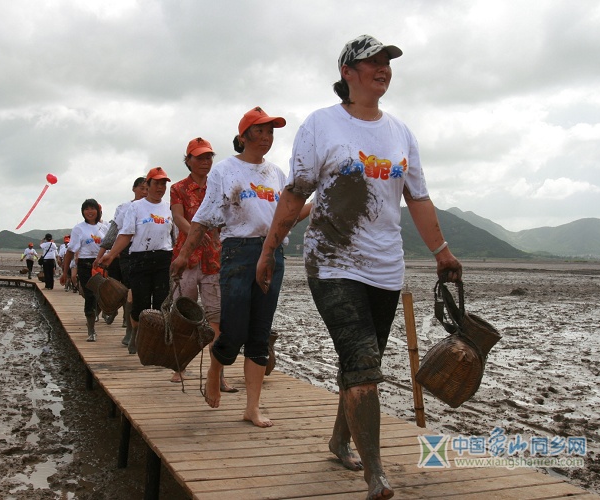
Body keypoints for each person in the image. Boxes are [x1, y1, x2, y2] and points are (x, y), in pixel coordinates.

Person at [256, 35, 463, 499]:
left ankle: (338, 439)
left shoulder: (401, 132)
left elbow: (419, 198)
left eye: (387, 62)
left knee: (360, 363)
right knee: (364, 362)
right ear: (347, 71)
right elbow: (295, 193)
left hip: (385, 266)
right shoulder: (321, 125)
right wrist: (270, 249)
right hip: (330, 261)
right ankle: (376, 474)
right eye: (372, 61)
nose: (382, 68)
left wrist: (442, 252)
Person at [171, 106, 308, 428]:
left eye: (270, 132)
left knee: (259, 333)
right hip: (237, 253)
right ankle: (216, 371)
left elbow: (286, 217)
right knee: (233, 331)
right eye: (259, 131)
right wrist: (182, 255)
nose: (266, 138)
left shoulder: (276, 174)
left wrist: (316, 203)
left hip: (273, 254)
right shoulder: (225, 170)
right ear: (243, 137)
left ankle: (252, 407)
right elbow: (204, 218)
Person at [168, 137, 237, 390]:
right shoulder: (177, 188)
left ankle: (217, 376)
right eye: (199, 157)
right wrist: (199, 235)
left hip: (214, 262)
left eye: (209, 156)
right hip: (186, 260)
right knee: (184, 316)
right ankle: (179, 367)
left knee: (217, 319)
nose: (205, 161)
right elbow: (178, 217)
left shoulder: (219, 186)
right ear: (188, 160)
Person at [99, 167, 174, 355]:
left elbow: (174, 236)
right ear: (147, 185)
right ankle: (136, 333)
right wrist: (112, 254)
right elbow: (126, 234)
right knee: (139, 303)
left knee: (160, 303)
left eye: (163, 184)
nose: (160, 187)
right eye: (156, 183)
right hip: (140, 259)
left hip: (163, 258)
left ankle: (154, 341)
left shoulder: (168, 207)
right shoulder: (136, 207)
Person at [96, 177, 148, 342]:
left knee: (138, 292)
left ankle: (132, 328)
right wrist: (103, 255)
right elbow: (114, 232)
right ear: (133, 189)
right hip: (125, 252)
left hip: (148, 253)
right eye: (141, 188)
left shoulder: (156, 207)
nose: (145, 191)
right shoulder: (124, 207)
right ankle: (127, 327)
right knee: (129, 291)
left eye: (148, 188)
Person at [61, 199, 105, 342]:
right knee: (90, 296)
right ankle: (91, 330)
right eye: (86, 209)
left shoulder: (104, 227)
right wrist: (64, 272)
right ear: (82, 212)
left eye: (92, 208)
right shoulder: (79, 228)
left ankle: (97, 314)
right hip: (86, 265)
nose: (89, 211)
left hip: (103, 265)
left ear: (98, 211)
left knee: (102, 295)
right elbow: (70, 251)